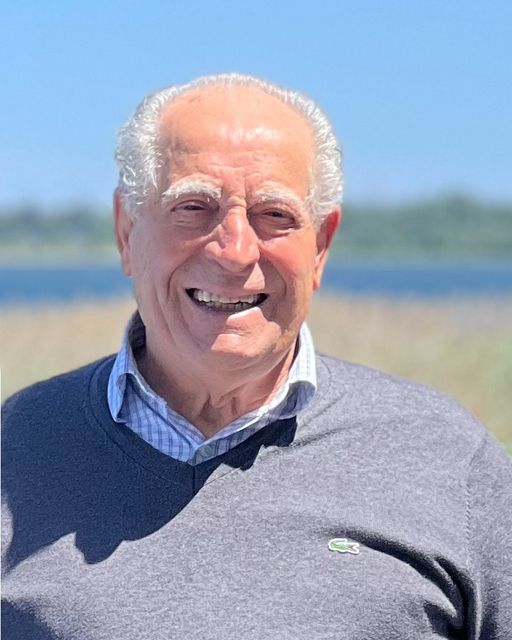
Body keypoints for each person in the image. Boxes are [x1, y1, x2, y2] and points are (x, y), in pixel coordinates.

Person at [2, 73, 511, 640]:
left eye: (275, 215)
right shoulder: (13, 448)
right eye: (194, 206)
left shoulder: (449, 459)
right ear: (127, 232)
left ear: (321, 247)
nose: (235, 252)